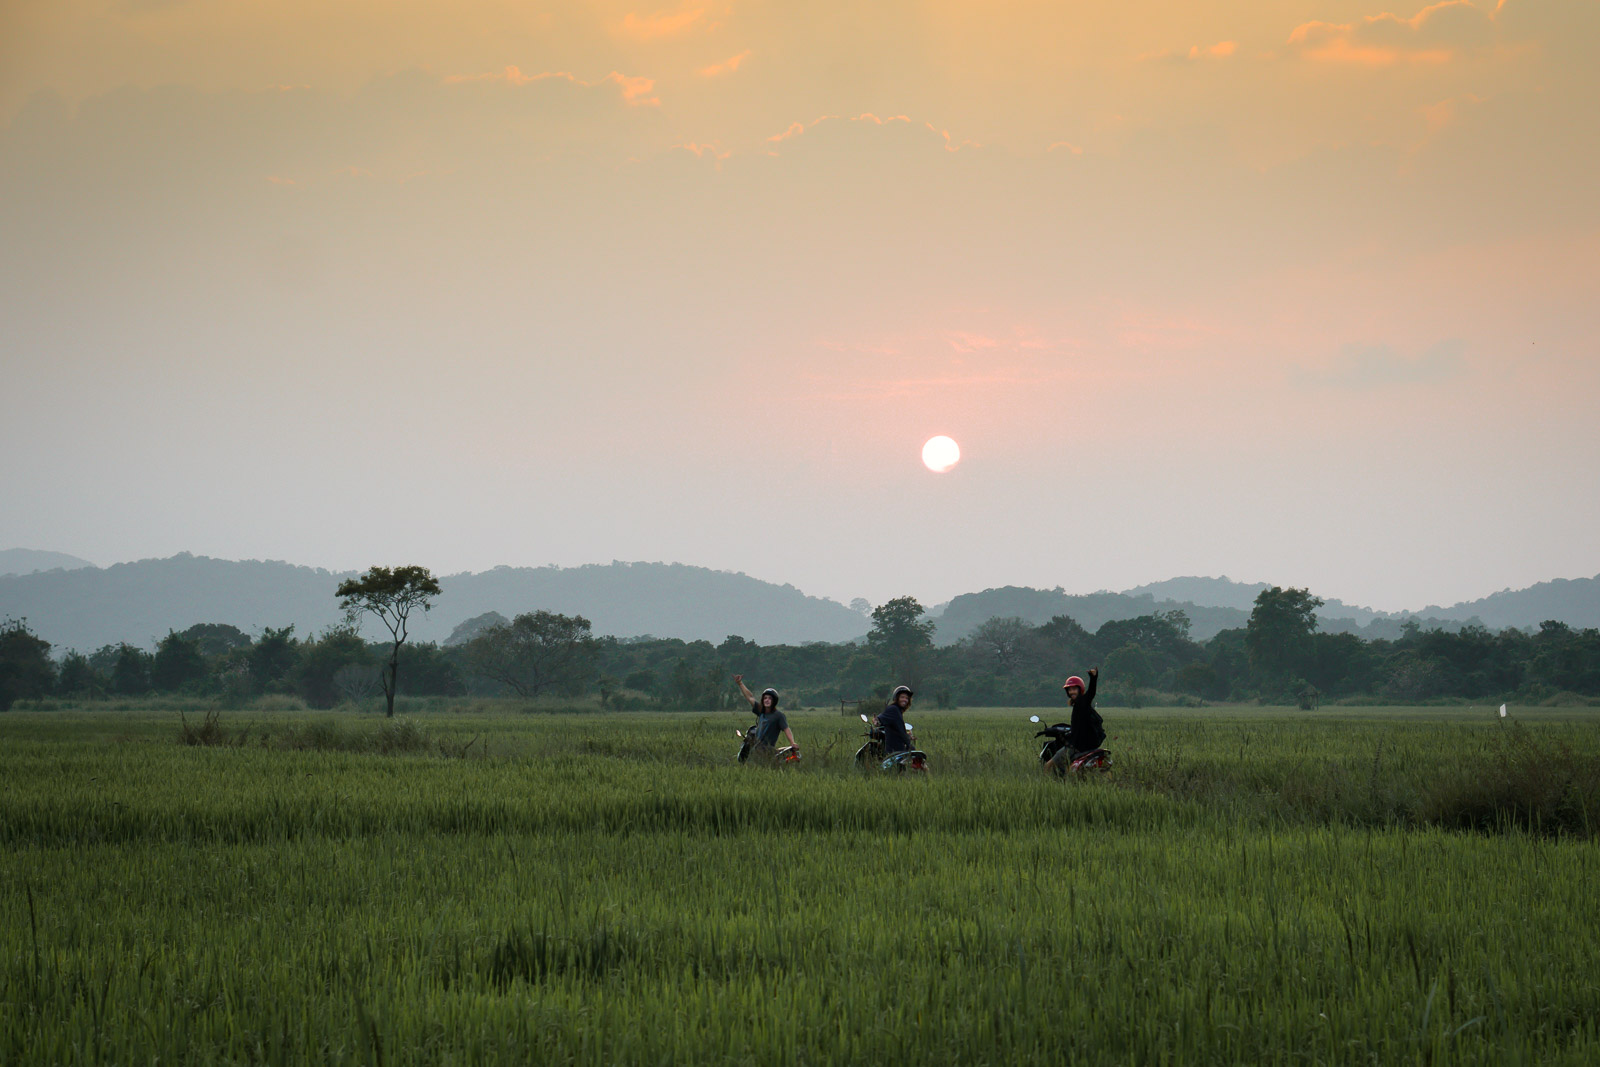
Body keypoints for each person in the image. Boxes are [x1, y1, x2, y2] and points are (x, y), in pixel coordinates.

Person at [734, 674, 798, 761]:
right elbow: (750, 697)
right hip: (757, 749)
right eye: (765, 698)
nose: (767, 700)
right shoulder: (761, 711)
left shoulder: (778, 715)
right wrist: (740, 683)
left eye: (770, 698)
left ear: (774, 701)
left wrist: (792, 743)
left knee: (791, 753)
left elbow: (786, 729)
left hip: (768, 749)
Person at [1061, 667, 1105, 758]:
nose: (1071, 692)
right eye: (1069, 690)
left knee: (1048, 765)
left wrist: (1093, 678)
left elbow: (1091, 693)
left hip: (1081, 745)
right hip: (1085, 744)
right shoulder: (1077, 704)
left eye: (1074, 689)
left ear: (1080, 689)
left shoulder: (1083, 701)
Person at [876, 685, 915, 756]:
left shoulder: (897, 710)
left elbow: (897, 728)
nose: (905, 700)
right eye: (902, 697)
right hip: (895, 751)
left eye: (907, 698)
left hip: (897, 749)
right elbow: (901, 730)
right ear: (897, 698)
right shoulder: (893, 709)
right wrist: (908, 743)